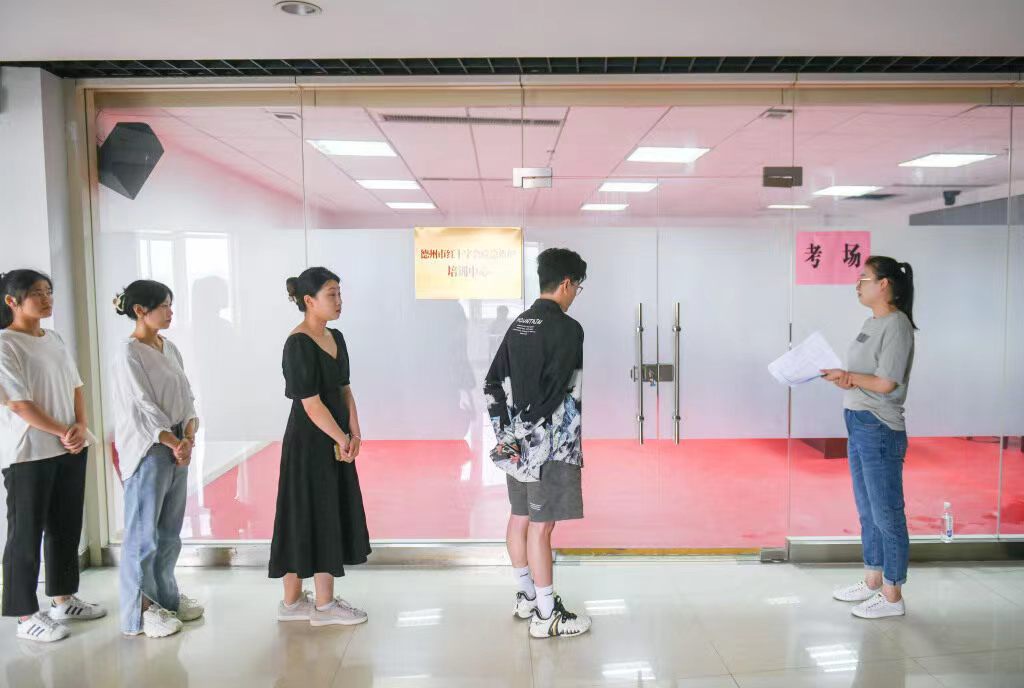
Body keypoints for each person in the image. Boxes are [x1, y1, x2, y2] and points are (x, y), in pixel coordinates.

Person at [484, 248, 591, 639]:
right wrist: (526, 431)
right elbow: (556, 393)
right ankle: (547, 616)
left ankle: (528, 596)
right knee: (542, 529)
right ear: (566, 283)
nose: (576, 294)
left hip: (517, 448)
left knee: (520, 519)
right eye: (577, 286)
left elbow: (491, 383)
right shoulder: (569, 329)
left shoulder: (519, 324)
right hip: (551, 448)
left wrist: (508, 435)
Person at [0, 269, 105, 642]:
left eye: (48, 291)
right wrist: (63, 431)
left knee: (65, 526)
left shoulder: (54, 338)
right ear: (12, 301)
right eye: (37, 293)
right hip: (29, 453)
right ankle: (25, 616)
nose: (46, 299)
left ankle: (63, 599)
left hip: (70, 446)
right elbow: (18, 403)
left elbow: (76, 385)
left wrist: (80, 425)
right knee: (25, 535)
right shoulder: (5, 344)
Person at [270, 267, 371, 627]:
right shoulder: (298, 343)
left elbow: (344, 389)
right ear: (309, 301)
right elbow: (311, 404)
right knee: (309, 511)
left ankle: (295, 602)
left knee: (323, 510)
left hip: (337, 438)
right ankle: (322, 606)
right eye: (331, 294)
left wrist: (355, 433)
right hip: (309, 442)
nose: (339, 301)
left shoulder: (336, 337)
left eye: (339, 293)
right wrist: (342, 438)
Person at [822, 256, 917, 619]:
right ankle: (873, 579)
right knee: (867, 510)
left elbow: (886, 382)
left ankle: (892, 595)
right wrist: (846, 379)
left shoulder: (897, 325)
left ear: (884, 284)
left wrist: (849, 376)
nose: (857, 284)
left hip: (879, 426)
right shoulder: (872, 322)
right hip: (858, 419)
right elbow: (867, 376)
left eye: (864, 278)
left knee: (886, 512)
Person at [111, 280, 205, 638]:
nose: (170, 312)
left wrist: (188, 436)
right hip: (149, 449)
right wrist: (172, 441)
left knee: (169, 533)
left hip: (177, 446)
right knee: (142, 535)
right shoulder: (128, 353)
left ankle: (166, 597)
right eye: (164, 305)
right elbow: (141, 407)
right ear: (140, 310)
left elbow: (186, 396)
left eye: (170, 304)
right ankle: (141, 610)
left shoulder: (169, 348)